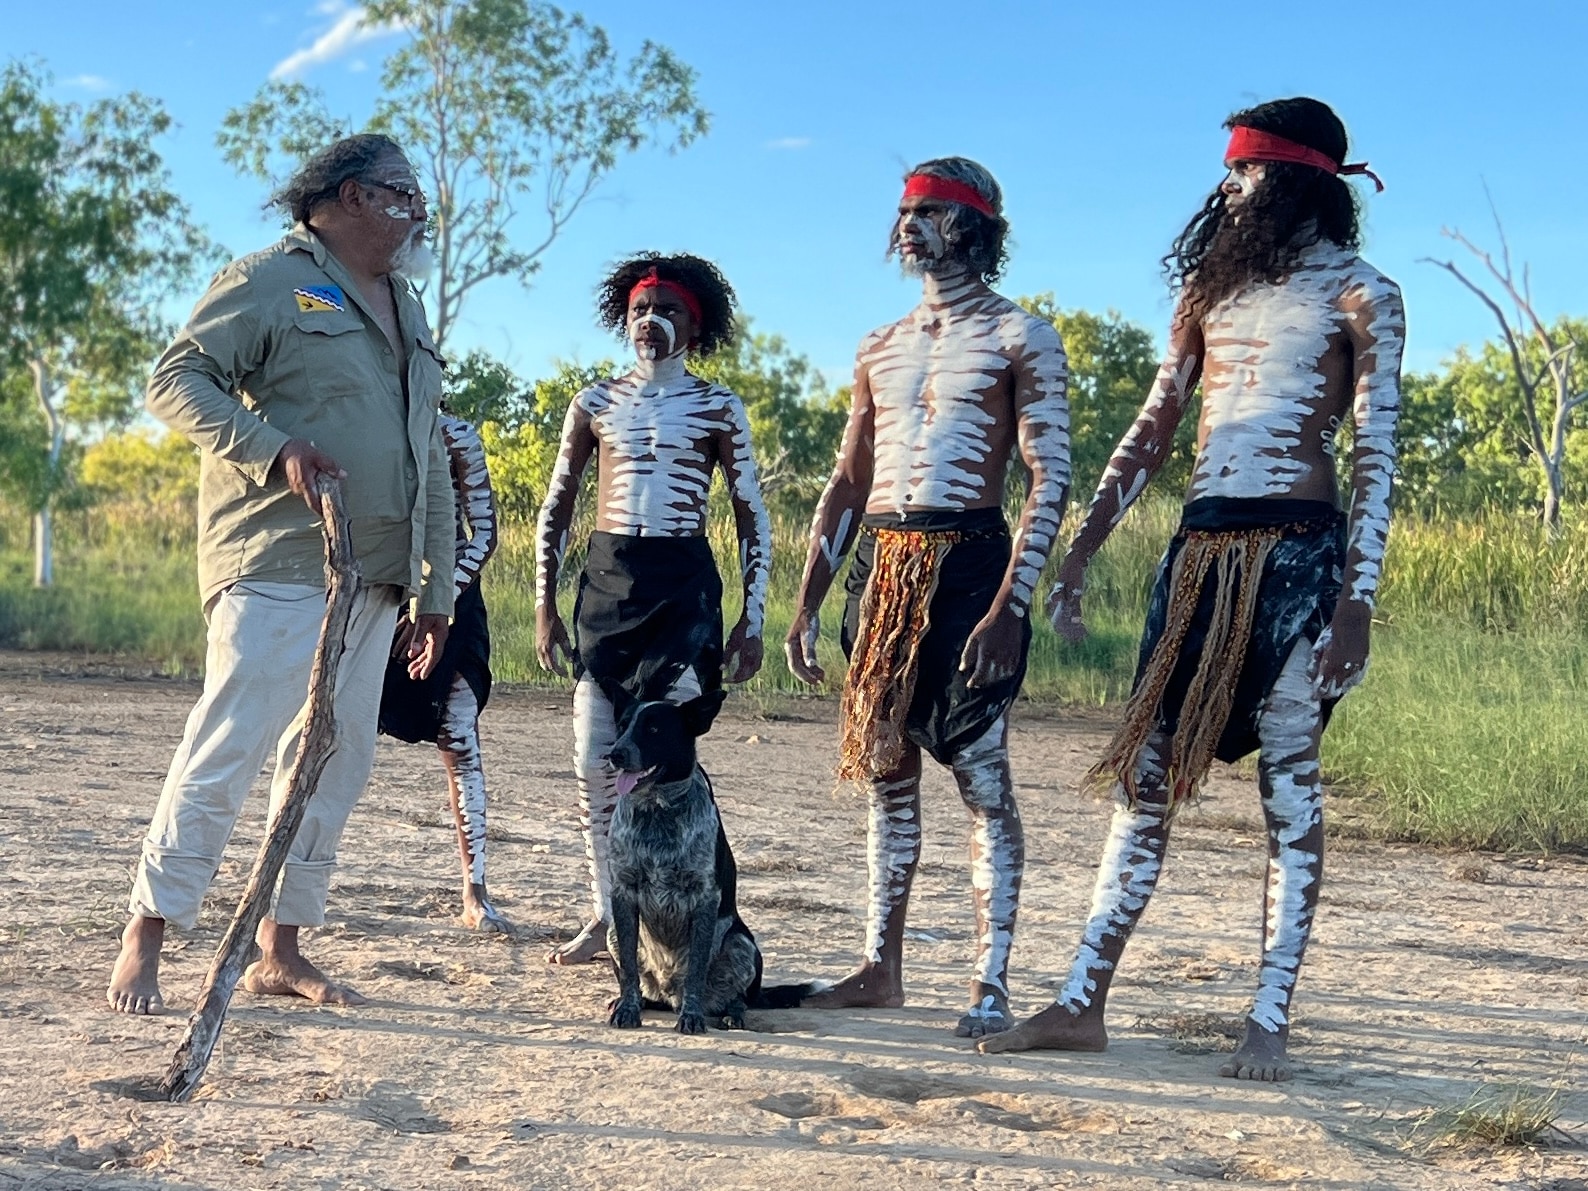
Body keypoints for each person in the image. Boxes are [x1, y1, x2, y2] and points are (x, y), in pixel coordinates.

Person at [980, 97, 1405, 1081]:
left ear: (1292, 179)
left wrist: (1357, 601)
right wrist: (1081, 546)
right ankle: (1082, 999)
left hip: (1299, 561)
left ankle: (1268, 1017)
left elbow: (1377, 455)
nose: (1226, 186)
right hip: (1199, 558)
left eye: (1244, 172)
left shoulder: (1363, 296)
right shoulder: (1204, 300)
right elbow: (1151, 430)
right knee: (1145, 775)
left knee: (1286, 785)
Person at [105, 134, 455, 1014]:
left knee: (333, 761)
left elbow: (429, 455)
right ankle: (146, 932)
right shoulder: (270, 279)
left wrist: (435, 587)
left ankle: (280, 945)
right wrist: (274, 449)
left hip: (374, 576)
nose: (417, 210)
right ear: (346, 196)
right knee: (231, 743)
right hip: (277, 561)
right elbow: (177, 379)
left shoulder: (408, 307)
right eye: (401, 193)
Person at [784, 157, 1071, 1037]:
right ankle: (882, 966)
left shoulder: (1023, 336)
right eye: (908, 210)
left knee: (983, 778)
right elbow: (846, 479)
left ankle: (991, 984)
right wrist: (805, 601)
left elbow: (1048, 474)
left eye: (936, 212)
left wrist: (1009, 604)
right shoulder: (879, 344)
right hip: (883, 560)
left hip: (972, 562)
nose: (913, 224)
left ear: (977, 226)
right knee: (886, 770)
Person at [535, 253, 771, 964]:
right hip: (608, 582)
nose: (651, 321)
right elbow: (557, 505)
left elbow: (751, 514)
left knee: (669, 765)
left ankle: (688, 914)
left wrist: (752, 618)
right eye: (641, 310)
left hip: (682, 592)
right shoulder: (594, 403)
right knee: (592, 760)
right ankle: (610, 911)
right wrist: (543, 601)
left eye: (668, 311)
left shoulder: (717, 406)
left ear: (692, 329)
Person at [378, 409, 507, 933]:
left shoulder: (456, 436)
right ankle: (290, 898)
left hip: (451, 601)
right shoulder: (365, 423)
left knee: (459, 737)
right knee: (334, 737)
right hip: (376, 597)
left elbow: (484, 533)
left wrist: (440, 602)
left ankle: (475, 891)